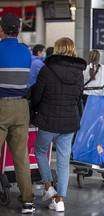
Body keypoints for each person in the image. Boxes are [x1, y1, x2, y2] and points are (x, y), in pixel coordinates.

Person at [31, 37, 86, 212]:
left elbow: (37, 95)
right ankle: (60, 200)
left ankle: (48, 186)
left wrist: (35, 110)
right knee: (63, 161)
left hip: (48, 120)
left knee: (40, 150)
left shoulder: (47, 69)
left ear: (57, 49)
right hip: (69, 122)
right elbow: (78, 98)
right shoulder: (79, 73)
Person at [0, 13, 35, 214]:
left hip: (1, 106)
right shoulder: (26, 51)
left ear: (1, 29)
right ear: (18, 30)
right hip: (22, 107)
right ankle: (27, 201)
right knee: (21, 157)